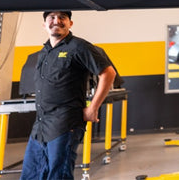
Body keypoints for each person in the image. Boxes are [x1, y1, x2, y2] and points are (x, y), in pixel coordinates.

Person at [20, 11, 116, 180]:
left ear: (70, 23)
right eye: (51, 18)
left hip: (65, 123)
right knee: (31, 175)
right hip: (40, 126)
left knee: (59, 175)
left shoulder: (79, 47)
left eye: (62, 18)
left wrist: (92, 108)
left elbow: (108, 73)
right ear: (44, 25)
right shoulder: (43, 53)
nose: (56, 21)